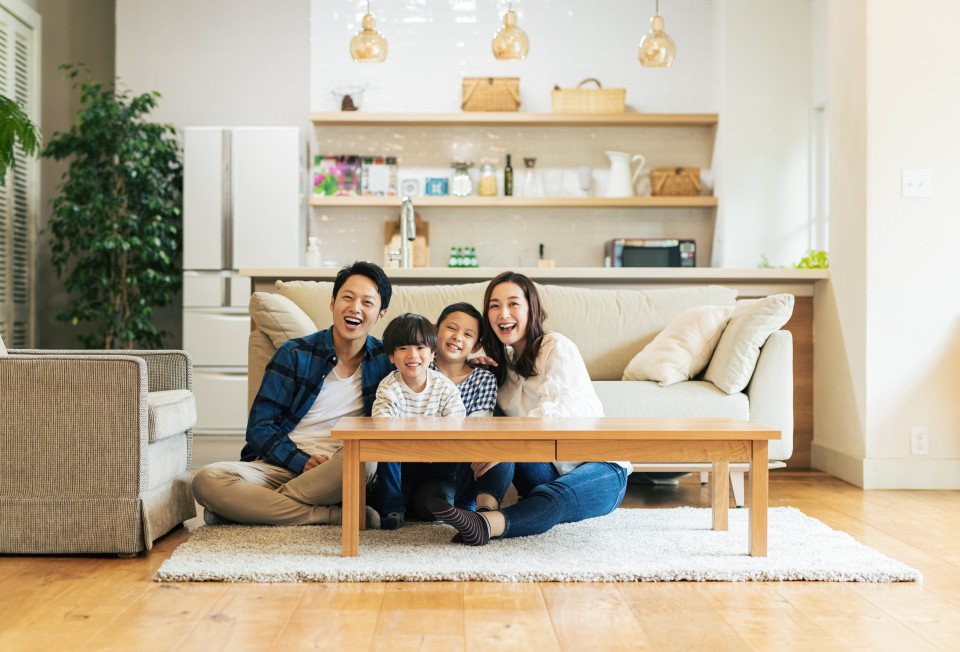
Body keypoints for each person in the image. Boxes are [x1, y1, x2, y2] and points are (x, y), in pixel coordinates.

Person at [426, 271, 632, 546]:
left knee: (554, 496)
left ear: (531, 309)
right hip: (542, 469)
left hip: (599, 466)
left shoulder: (556, 347)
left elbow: (569, 410)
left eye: (513, 304)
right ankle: (482, 510)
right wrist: (466, 366)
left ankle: (487, 525)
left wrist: (508, 445)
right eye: (494, 305)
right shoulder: (499, 368)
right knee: (495, 433)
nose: (503, 313)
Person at [191, 261, 393, 528]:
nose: (355, 308)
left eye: (367, 302)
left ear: (380, 314)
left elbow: (428, 379)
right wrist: (302, 461)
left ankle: (251, 508)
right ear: (332, 302)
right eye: (347, 297)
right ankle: (329, 515)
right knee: (206, 480)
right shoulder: (295, 354)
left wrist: (465, 361)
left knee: (365, 462)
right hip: (280, 466)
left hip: (337, 470)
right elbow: (259, 428)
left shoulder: (387, 361)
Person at [405, 302, 505, 521]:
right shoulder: (417, 367)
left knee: (433, 501)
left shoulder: (483, 379)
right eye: (451, 328)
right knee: (399, 495)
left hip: (452, 467)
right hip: (411, 458)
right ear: (434, 331)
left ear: (477, 346)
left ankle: (460, 510)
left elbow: (478, 426)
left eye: (467, 334)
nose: (457, 337)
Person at [369, 312, 467, 530]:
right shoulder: (389, 387)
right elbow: (382, 425)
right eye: (403, 348)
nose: (412, 355)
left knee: (432, 504)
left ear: (433, 354)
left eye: (420, 348)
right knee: (386, 481)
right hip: (403, 465)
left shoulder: (444, 386)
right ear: (391, 357)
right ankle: (394, 508)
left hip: (439, 462)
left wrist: (433, 448)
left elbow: (457, 424)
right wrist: (414, 448)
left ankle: (455, 507)